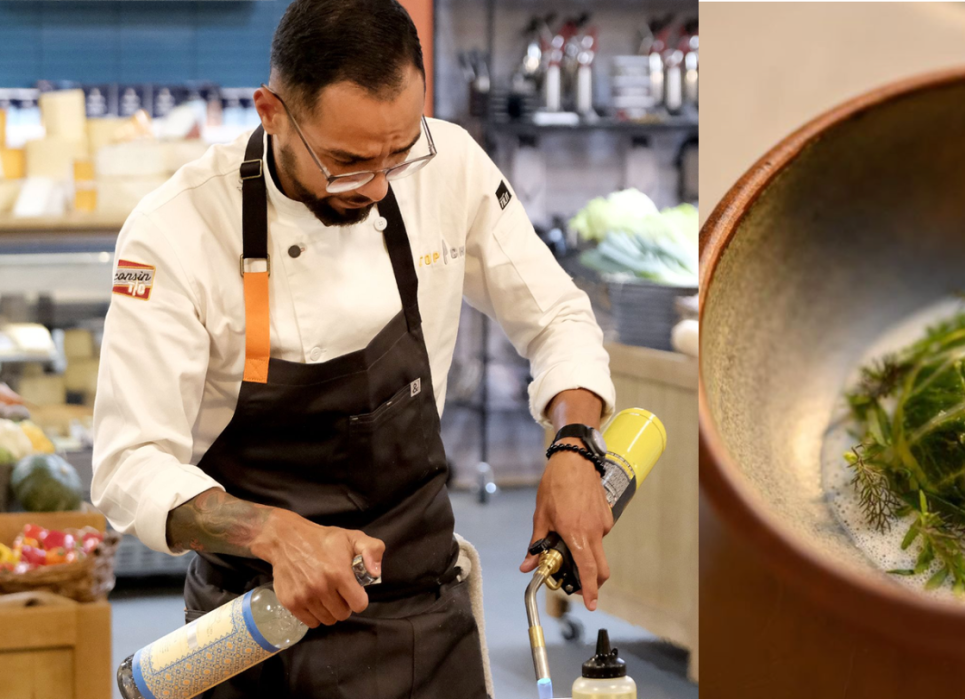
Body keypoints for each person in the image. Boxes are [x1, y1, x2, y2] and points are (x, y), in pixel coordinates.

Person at [91, 0, 617, 695]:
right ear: (271, 112)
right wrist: (275, 533)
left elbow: (556, 316)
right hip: (250, 634)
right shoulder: (176, 230)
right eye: (345, 161)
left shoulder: (448, 164)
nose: (375, 186)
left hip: (421, 623)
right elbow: (129, 465)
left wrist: (574, 442)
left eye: (397, 155)